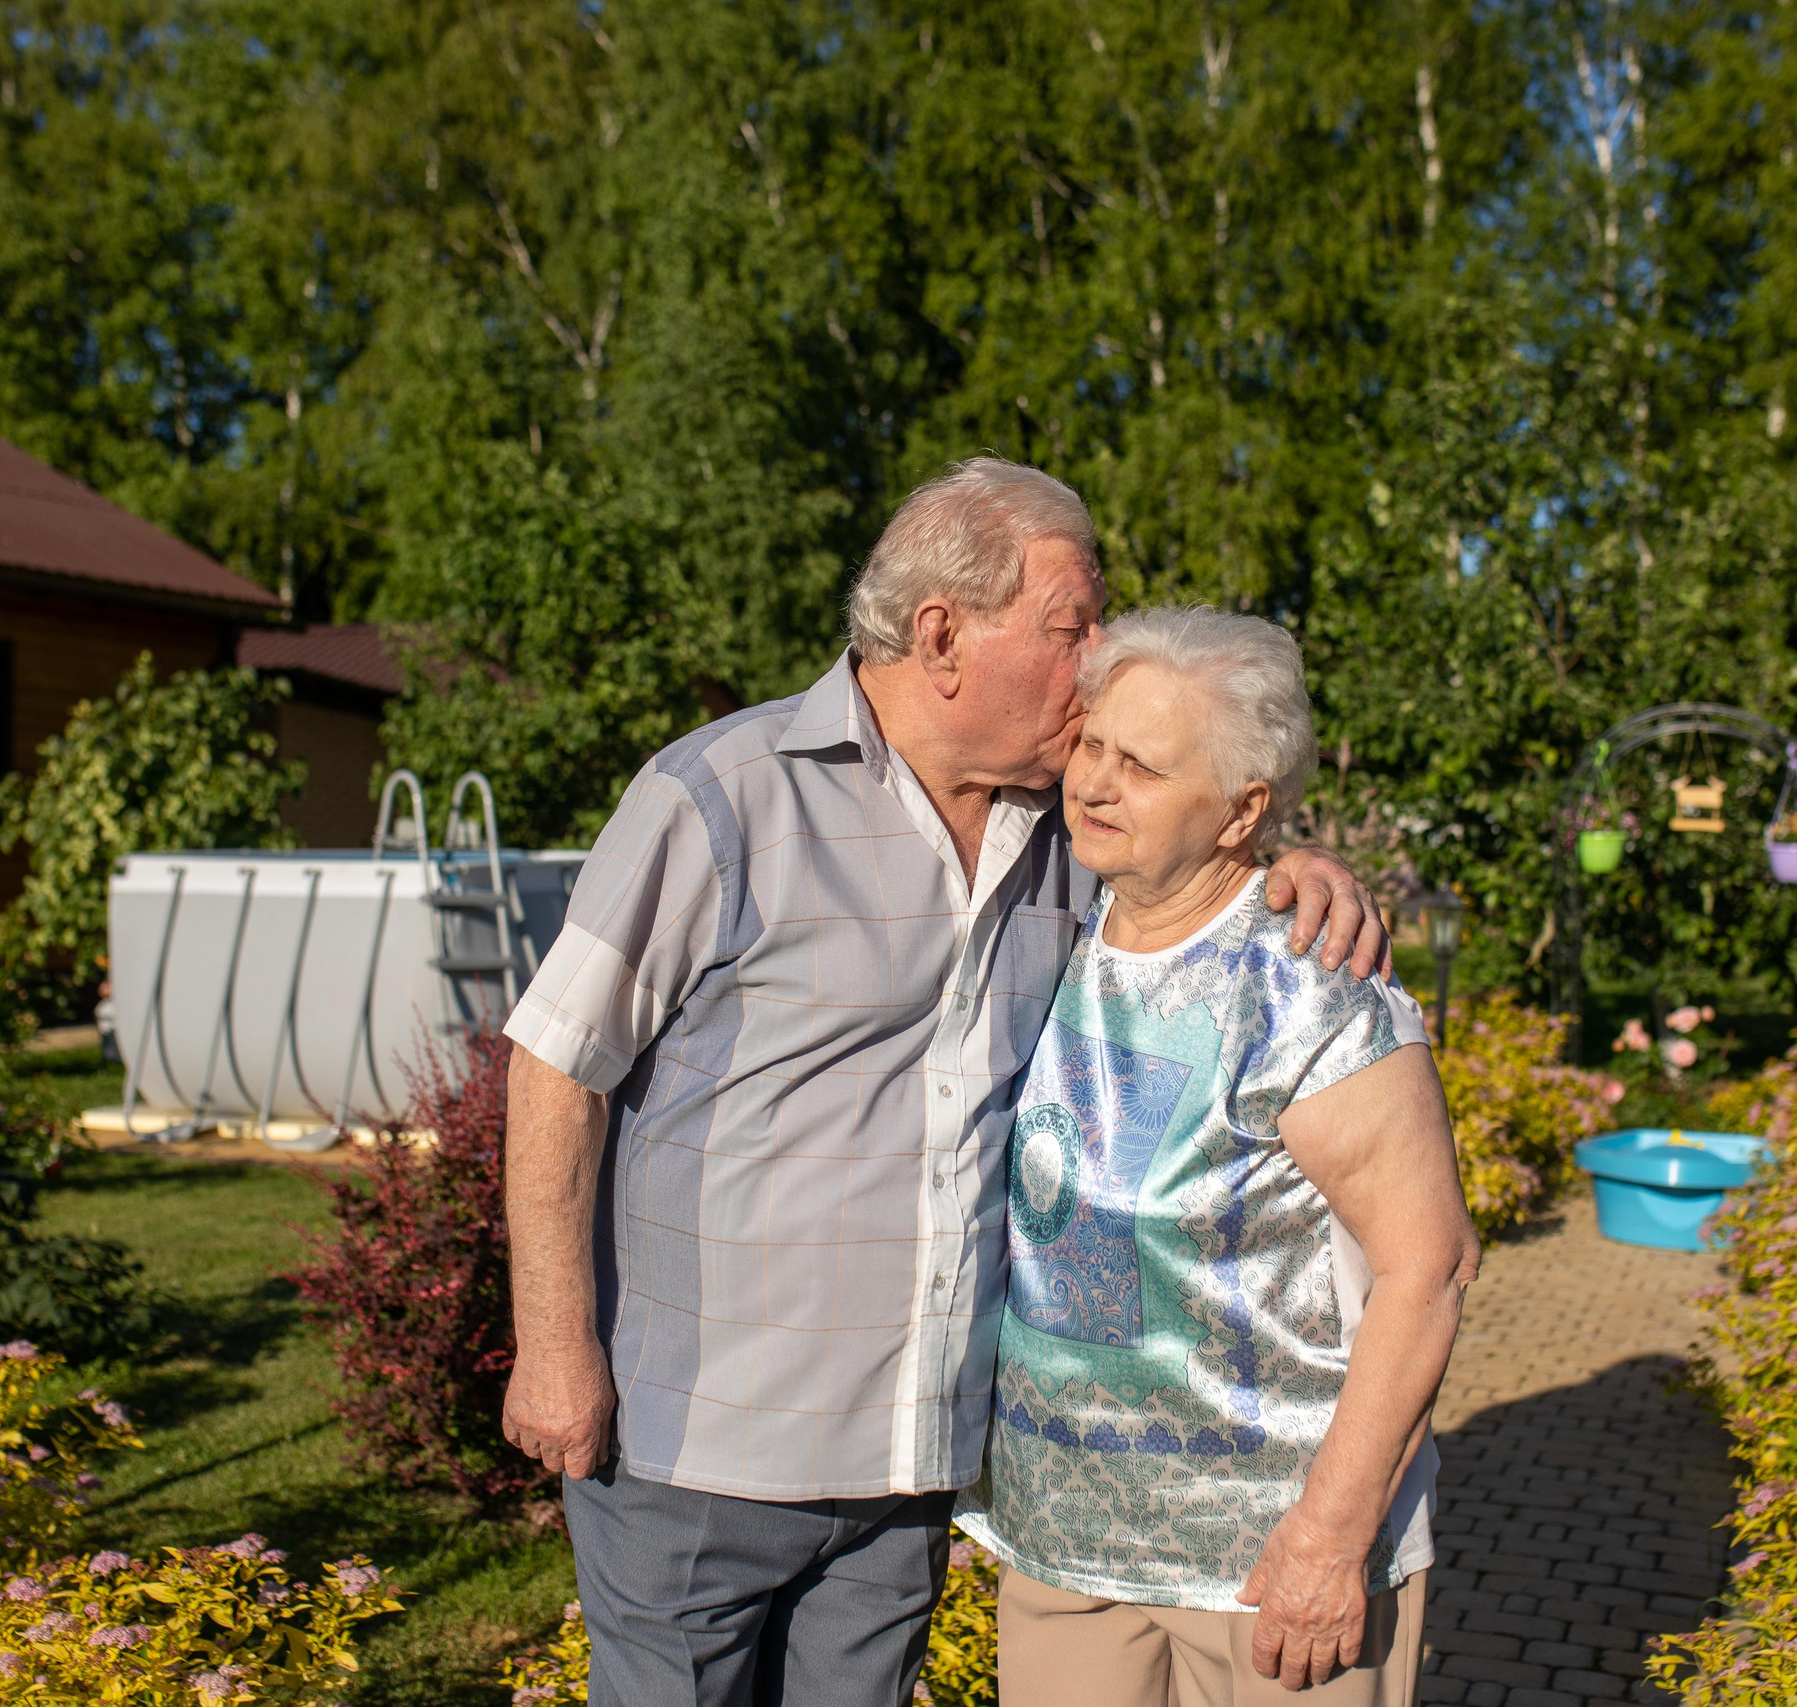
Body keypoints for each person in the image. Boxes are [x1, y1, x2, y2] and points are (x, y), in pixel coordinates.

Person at [497, 459, 1393, 1707]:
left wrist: (1293, 864)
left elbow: (1195, 866)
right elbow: (555, 1070)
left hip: (908, 1467)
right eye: (1071, 630)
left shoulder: (1067, 839)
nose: (1091, 675)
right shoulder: (719, 796)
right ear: (941, 635)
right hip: (698, 1452)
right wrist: (553, 1350)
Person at [956, 605, 1481, 1705]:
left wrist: (1331, 1539)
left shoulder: (1310, 985)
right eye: (1090, 746)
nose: (1094, 784)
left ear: (1244, 809)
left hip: (1266, 1569)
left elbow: (1426, 1271)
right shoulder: (1042, 920)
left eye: (1141, 766)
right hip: (1063, 1550)